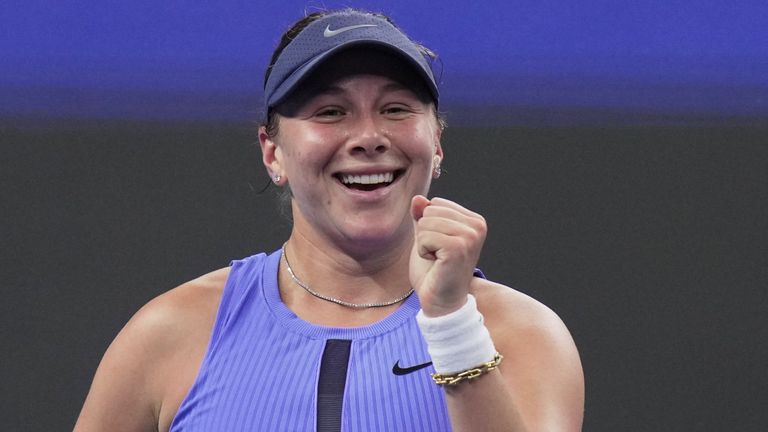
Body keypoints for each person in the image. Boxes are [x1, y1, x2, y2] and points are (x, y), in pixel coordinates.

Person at [74, 8, 584, 432]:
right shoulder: (171, 334)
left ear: (437, 143)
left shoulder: (520, 334)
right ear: (272, 153)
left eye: (396, 108)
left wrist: (451, 323)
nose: (369, 136)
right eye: (330, 112)